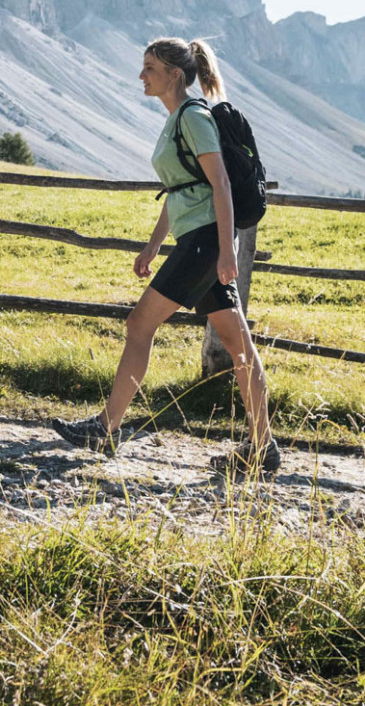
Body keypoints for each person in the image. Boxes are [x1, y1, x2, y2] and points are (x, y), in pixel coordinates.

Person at [51, 37, 280, 477]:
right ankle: (262, 448)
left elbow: (221, 185)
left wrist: (226, 250)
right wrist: (154, 244)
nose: (142, 75)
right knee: (239, 346)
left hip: (205, 242)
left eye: (150, 67)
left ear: (175, 73)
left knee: (140, 324)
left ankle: (105, 428)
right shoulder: (179, 119)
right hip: (199, 238)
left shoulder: (192, 118)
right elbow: (181, 190)